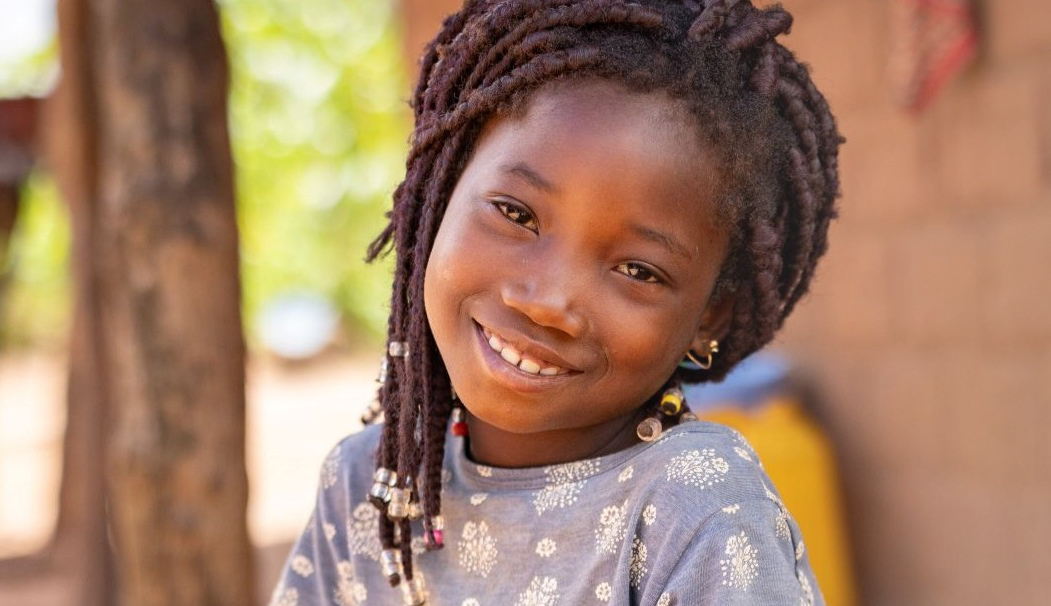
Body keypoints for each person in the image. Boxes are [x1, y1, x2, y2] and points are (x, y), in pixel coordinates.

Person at [269, 0, 841, 603]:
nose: (547, 303)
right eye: (515, 214)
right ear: (438, 192)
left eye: (638, 270)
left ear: (707, 320)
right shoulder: (368, 484)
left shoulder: (695, 507)